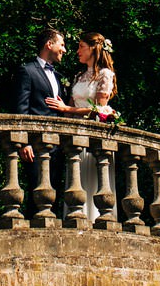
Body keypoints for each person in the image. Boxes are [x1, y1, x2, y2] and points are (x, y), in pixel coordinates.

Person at [45, 32, 117, 220]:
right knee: (75, 182)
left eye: (81, 47)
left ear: (93, 48)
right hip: (75, 135)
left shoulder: (105, 75)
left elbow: (100, 110)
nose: (77, 51)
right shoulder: (79, 76)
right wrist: (64, 110)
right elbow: (70, 107)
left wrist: (67, 107)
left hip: (93, 135)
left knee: (92, 180)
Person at [16, 27, 67, 171]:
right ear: (49, 44)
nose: (64, 50)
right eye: (62, 45)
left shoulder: (58, 76)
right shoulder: (27, 71)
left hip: (57, 147)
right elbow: (22, 108)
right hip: (36, 145)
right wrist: (24, 142)